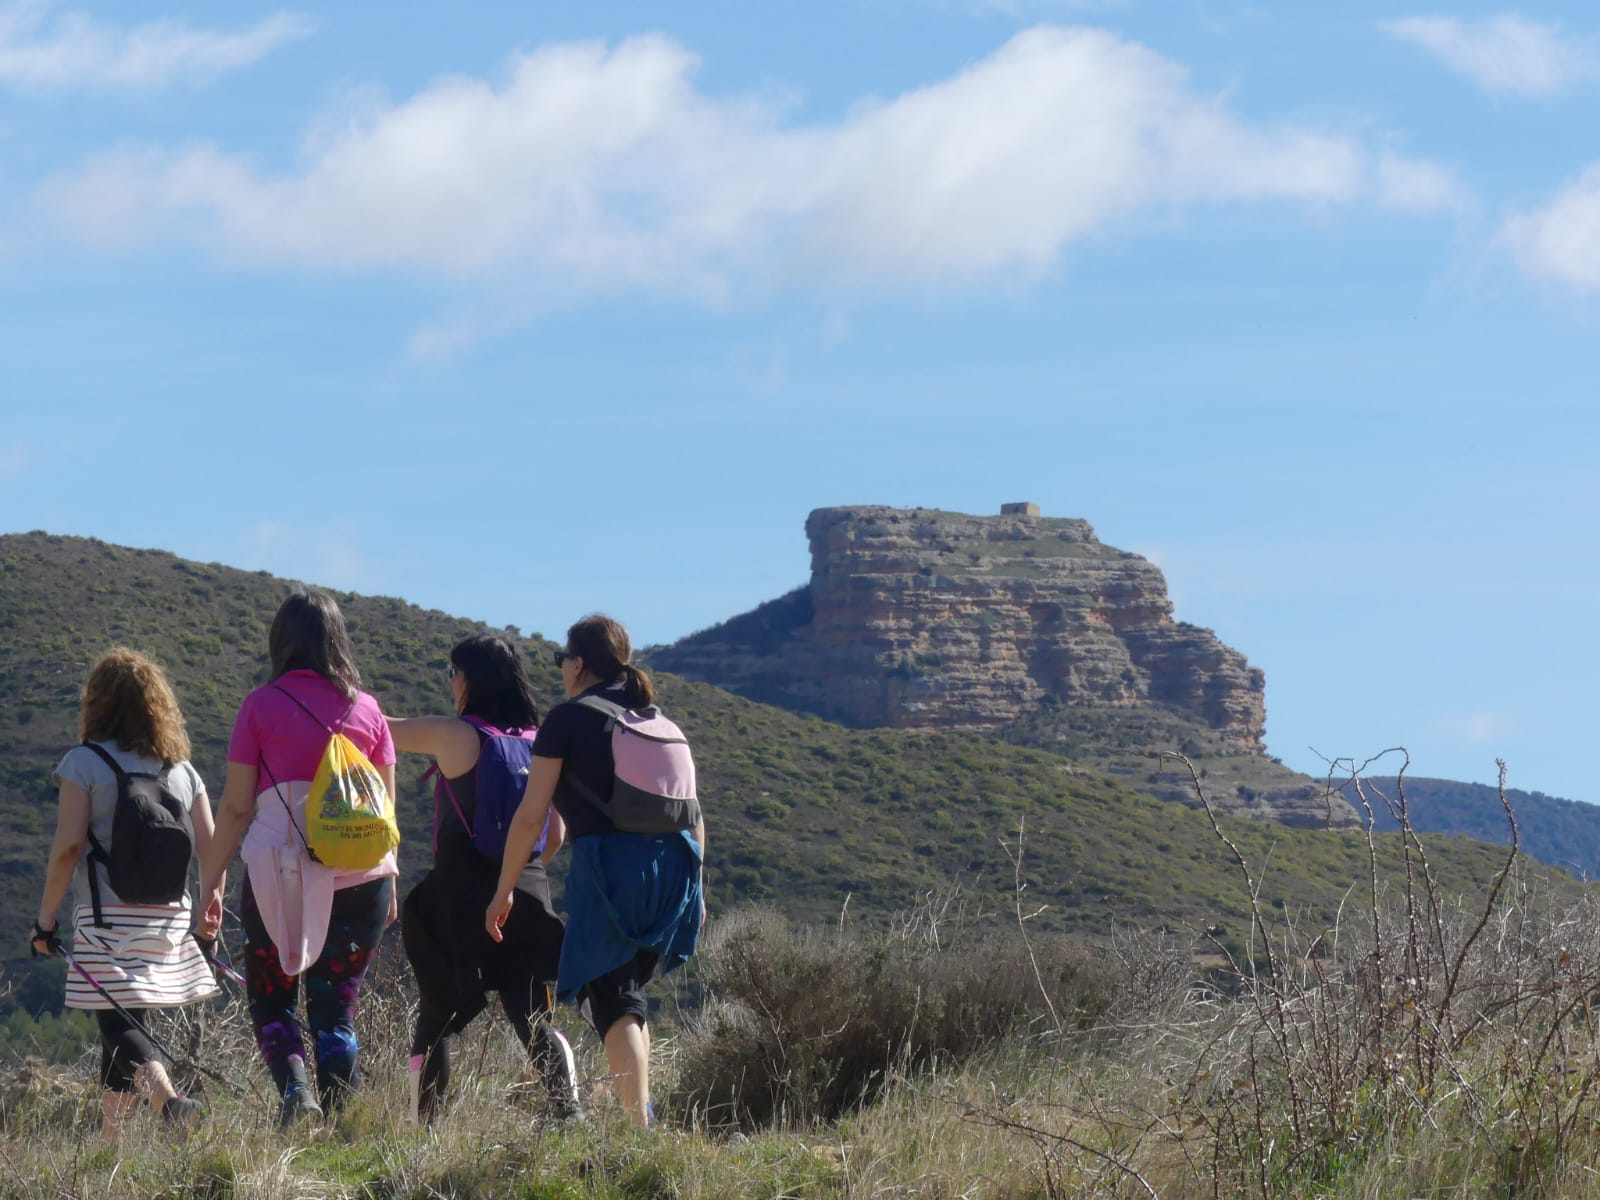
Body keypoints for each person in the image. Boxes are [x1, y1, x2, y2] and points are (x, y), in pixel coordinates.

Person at [486, 615, 704, 1126]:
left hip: (611, 871)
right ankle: (641, 1113)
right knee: (629, 997)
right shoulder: (654, 718)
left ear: (578, 664)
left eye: (564, 660)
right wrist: (697, 891)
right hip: (676, 870)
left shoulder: (566, 720)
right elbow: (695, 815)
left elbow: (531, 816)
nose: (562, 669)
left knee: (614, 999)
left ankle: (637, 1132)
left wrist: (504, 890)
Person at [198, 589, 398, 1128]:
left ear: (279, 642)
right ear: (339, 641)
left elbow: (237, 808)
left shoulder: (260, 706)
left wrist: (209, 884)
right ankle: (343, 1123)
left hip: (277, 875)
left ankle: (297, 1095)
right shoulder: (371, 711)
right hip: (364, 878)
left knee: (273, 1000)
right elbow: (386, 813)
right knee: (336, 1008)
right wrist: (391, 886)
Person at [389, 634, 579, 1124]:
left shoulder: (457, 736)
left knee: (439, 1016)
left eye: (453, 672)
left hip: (459, 899)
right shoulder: (539, 743)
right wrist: (517, 873)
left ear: (469, 677)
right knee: (532, 1015)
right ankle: (566, 1111)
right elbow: (554, 832)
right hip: (527, 891)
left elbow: (377, 729)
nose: (450, 682)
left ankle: (423, 1130)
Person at [32, 648, 218, 1141]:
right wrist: (210, 908)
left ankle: (171, 1103)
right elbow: (212, 847)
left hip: (105, 917)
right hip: (167, 922)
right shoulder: (183, 770)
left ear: (97, 703)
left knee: (116, 1021)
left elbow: (70, 845)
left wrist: (45, 922)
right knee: (122, 1018)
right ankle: (110, 1145)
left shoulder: (84, 764)